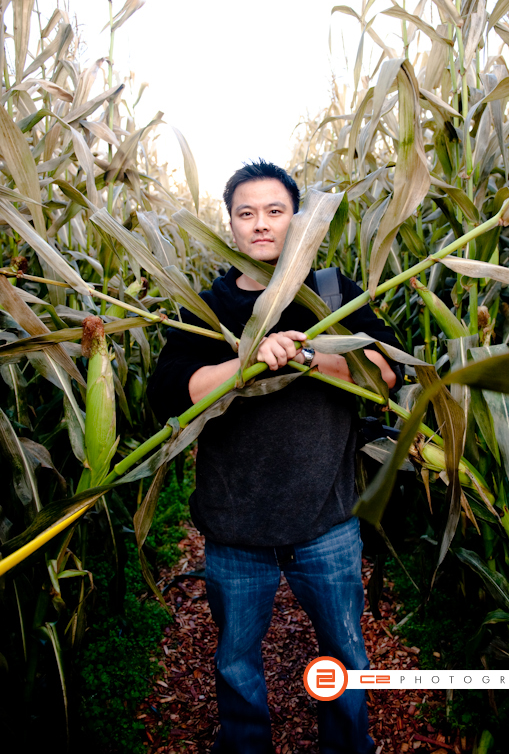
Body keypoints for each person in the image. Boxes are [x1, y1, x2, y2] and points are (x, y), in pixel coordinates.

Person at [147, 159, 404, 754]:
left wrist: (312, 355)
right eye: (246, 214)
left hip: (327, 521)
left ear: (299, 222)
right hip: (235, 526)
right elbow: (166, 393)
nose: (260, 225)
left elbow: (388, 374)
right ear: (230, 227)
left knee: (344, 652)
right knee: (236, 662)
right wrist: (247, 359)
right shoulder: (205, 309)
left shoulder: (334, 297)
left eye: (275, 211)